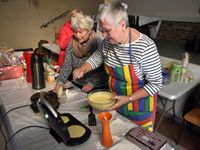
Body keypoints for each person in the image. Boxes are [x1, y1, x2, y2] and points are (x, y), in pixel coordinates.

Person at [73, 1, 162, 132]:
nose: (103, 35)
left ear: (122, 25)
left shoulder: (145, 47)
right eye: (102, 31)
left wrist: (129, 98)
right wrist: (83, 68)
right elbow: (97, 58)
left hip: (139, 109)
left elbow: (156, 84)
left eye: (107, 31)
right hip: (115, 103)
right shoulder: (107, 43)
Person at [54, 14, 106, 93]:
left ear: (89, 30)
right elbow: (67, 66)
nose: (77, 35)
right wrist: (60, 82)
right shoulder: (71, 43)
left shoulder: (99, 43)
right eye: (75, 31)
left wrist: (92, 83)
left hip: (97, 86)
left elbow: (105, 70)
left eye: (80, 32)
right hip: (78, 84)